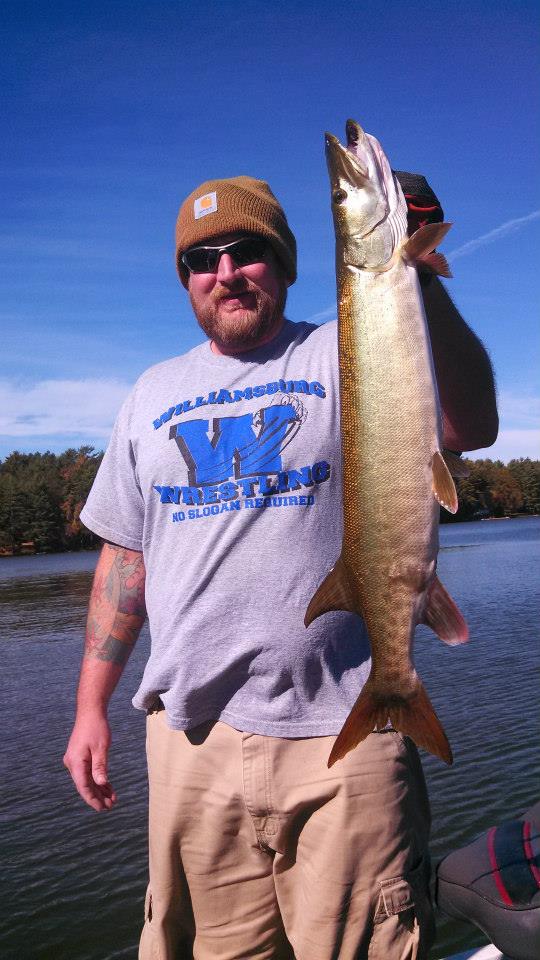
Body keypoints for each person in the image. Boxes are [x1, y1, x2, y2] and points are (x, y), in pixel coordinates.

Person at [64, 172, 498, 960]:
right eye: (202, 259)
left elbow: (473, 423)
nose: (224, 271)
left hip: (346, 738)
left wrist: (414, 279)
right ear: (186, 280)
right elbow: (126, 556)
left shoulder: (352, 346)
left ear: (287, 263)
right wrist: (90, 706)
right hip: (191, 742)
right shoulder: (148, 394)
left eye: (247, 250)